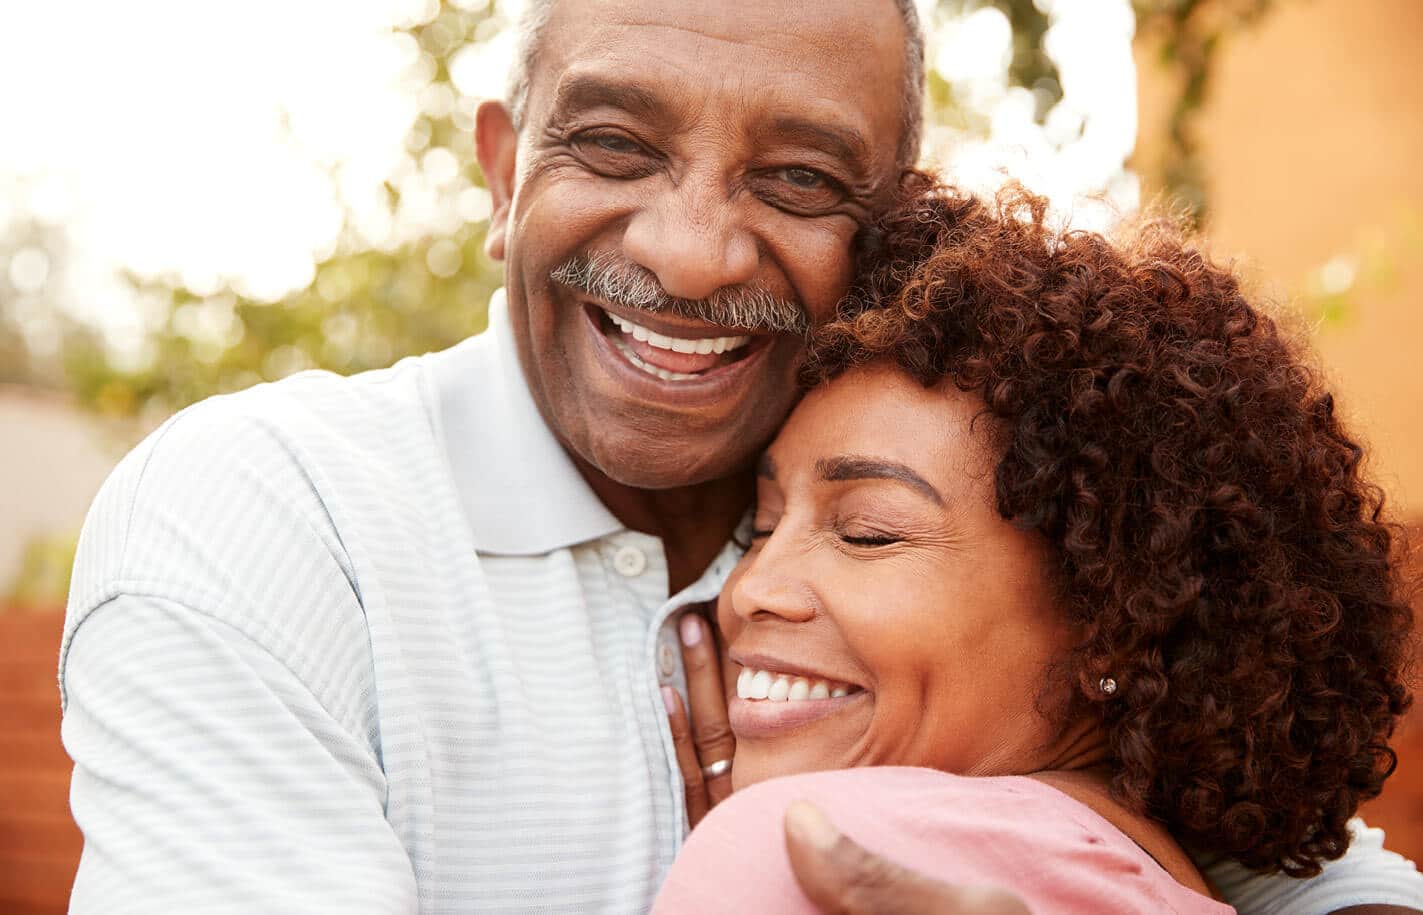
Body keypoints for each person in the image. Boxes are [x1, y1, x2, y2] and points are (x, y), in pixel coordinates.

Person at [56, 0, 1421, 911]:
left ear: (893, 224)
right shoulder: (266, 515)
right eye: (609, 145)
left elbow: (1327, 883)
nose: (689, 254)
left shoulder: (981, 482)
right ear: (497, 173)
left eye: (799, 180)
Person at [654, 179, 1423, 914]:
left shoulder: (802, 852)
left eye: (866, 531)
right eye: (760, 525)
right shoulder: (1161, 876)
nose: (748, 588)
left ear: (1115, 624)